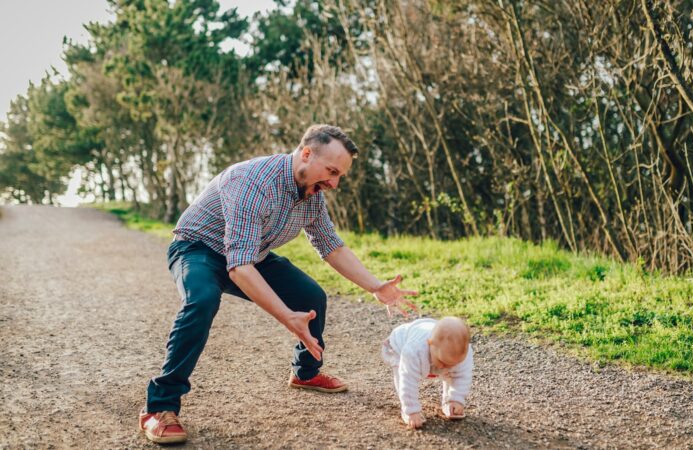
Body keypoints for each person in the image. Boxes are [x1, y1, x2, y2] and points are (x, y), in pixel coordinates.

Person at [139, 124, 419, 444]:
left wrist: (375, 287)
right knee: (202, 300)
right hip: (198, 249)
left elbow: (331, 246)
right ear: (306, 154)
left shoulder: (311, 193)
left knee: (311, 296)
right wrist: (287, 317)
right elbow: (239, 269)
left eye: (340, 175)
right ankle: (158, 407)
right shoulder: (250, 182)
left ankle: (305, 373)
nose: (334, 182)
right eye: (331, 171)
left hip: (250, 253)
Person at [381, 316, 474, 430]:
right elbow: (408, 380)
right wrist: (412, 411)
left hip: (428, 335)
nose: (446, 367)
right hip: (397, 346)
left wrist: (456, 399)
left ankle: (449, 402)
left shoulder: (460, 353)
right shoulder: (414, 351)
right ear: (430, 344)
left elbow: (462, 377)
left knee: (453, 372)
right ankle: (407, 411)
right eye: (442, 362)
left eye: (452, 364)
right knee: (402, 373)